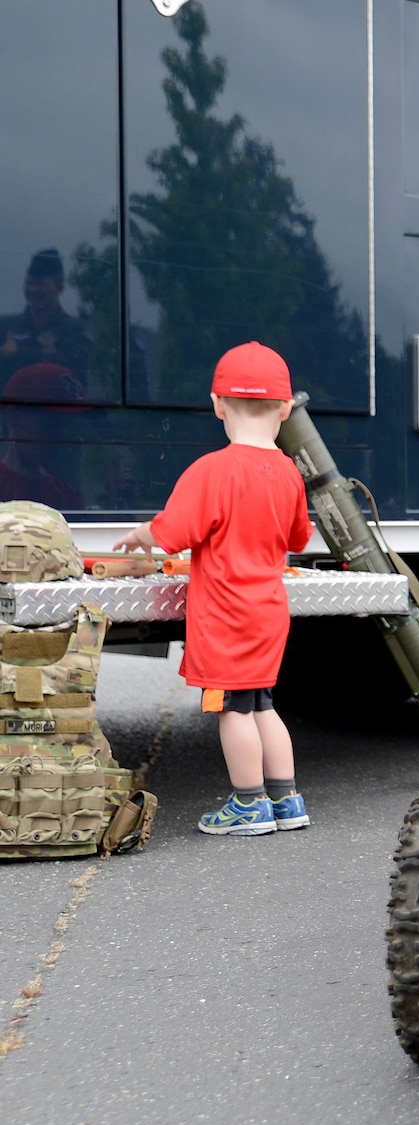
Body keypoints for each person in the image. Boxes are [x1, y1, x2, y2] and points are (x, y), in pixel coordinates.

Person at [114, 342, 314, 835]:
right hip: (268, 612)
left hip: (226, 617)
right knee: (263, 704)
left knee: (231, 711)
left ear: (218, 404)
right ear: (286, 408)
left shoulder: (213, 470)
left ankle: (248, 805)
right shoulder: (290, 472)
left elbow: (173, 534)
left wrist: (140, 535)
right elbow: (298, 538)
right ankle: (286, 801)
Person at [0, 249, 93, 393]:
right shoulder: (6, 326)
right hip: (12, 412)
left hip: (58, 412)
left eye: (41, 284)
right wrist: (45, 355)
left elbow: (71, 368)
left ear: (60, 287)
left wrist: (14, 354)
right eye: (29, 283)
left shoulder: (75, 329)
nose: (33, 290)